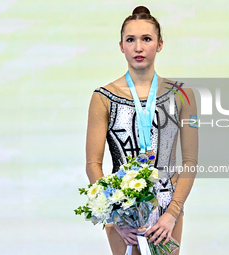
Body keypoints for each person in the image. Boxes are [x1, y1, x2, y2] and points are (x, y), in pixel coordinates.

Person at [85, 6, 198, 255]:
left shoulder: (182, 95)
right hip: (121, 205)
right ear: (121, 45)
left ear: (159, 44)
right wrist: (113, 216)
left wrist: (172, 213)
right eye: (131, 40)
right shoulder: (103, 97)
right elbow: (93, 163)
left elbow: (190, 161)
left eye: (146, 39)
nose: (138, 47)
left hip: (169, 203)